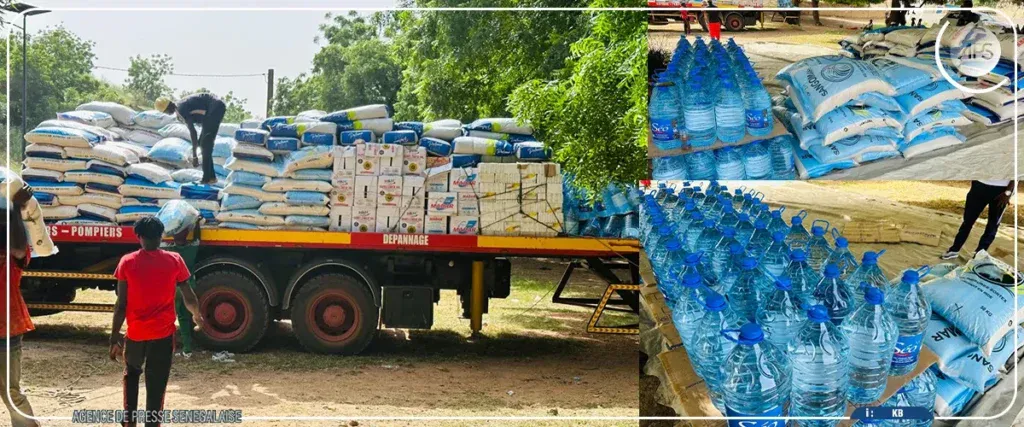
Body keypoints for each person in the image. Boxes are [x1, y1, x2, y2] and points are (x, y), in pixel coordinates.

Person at [110, 217, 204, 427]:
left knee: (131, 375)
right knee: (157, 383)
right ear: (161, 236)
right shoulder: (174, 260)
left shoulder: (127, 262)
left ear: (139, 236)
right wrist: (197, 315)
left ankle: (129, 421)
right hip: (163, 335)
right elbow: (188, 295)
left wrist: (114, 338)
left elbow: (121, 304)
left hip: (135, 334)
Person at [1, 190, 41, 427]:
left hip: (6, 332)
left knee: (11, 392)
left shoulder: (12, 258)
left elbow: (17, 247)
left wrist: (15, 209)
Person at [155, 93, 226, 185]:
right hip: (214, 108)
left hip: (215, 108)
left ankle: (207, 178)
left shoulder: (181, 109)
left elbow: (193, 132)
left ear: (168, 109)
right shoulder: (180, 106)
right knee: (202, 143)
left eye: (165, 112)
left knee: (205, 144)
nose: (167, 114)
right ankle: (211, 177)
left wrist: (194, 156)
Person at [941, 180, 1015, 260]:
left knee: (992, 224)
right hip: (979, 185)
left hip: (1001, 190)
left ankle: (979, 255)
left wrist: (1008, 193)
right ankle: (954, 250)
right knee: (968, 221)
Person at [163, 218, 202, 358]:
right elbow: (197, 238)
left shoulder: (168, 250)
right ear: (186, 234)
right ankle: (187, 348)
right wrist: (196, 224)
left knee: (170, 318)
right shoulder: (192, 248)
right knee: (185, 317)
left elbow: (159, 240)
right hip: (188, 286)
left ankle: (169, 347)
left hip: (174, 288)